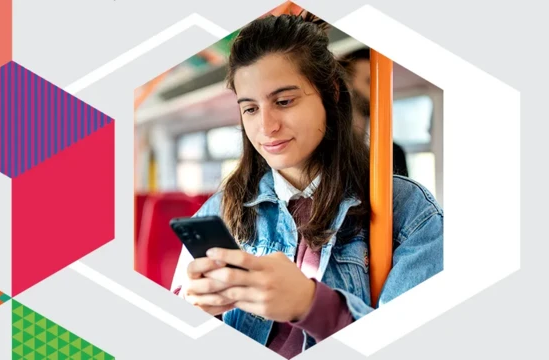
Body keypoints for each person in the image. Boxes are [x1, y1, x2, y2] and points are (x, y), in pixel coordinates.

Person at [170, 12, 443, 359]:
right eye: (251, 109)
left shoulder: (409, 212)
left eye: (284, 101)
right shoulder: (220, 209)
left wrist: (313, 306)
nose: (266, 126)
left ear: (329, 93)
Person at [339, 47, 410, 177]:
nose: (379, 92)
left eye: (382, 84)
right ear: (346, 86)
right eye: (370, 82)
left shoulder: (394, 152)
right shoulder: (325, 148)